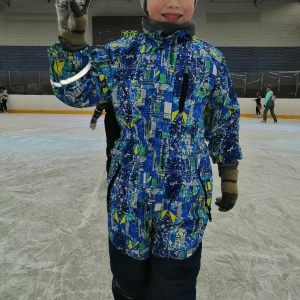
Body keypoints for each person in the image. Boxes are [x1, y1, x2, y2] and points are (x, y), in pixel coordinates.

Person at [48, 0, 242, 299]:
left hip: (185, 201)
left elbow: (224, 120)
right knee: (129, 286)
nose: (173, 3)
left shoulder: (209, 59)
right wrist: (72, 42)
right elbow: (73, 91)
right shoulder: (119, 54)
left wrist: (229, 174)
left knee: (175, 287)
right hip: (129, 199)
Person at [90, 101, 121, 172]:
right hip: (112, 120)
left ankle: (121, 173)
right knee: (112, 146)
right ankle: (111, 172)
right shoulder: (108, 91)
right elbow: (101, 105)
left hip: (124, 120)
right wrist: (94, 119)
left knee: (123, 146)